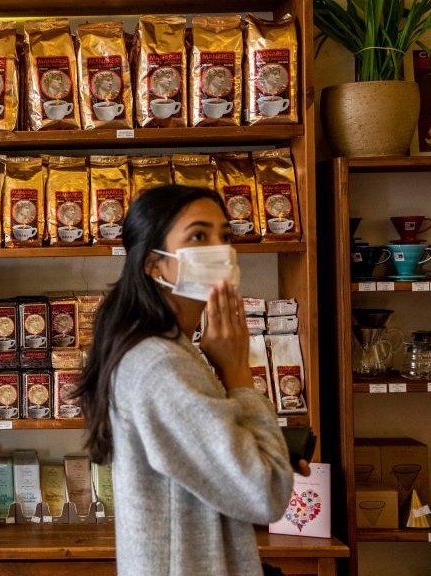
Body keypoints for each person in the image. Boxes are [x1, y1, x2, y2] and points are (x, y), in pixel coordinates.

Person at [76, 184, 305, 576]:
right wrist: (237, 373)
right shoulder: (160, 365)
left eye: (225, 236)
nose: (221, 250)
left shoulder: (170, 349)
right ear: (153, 264)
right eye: (199, 236)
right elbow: (265, 493)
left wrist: (268, 450)